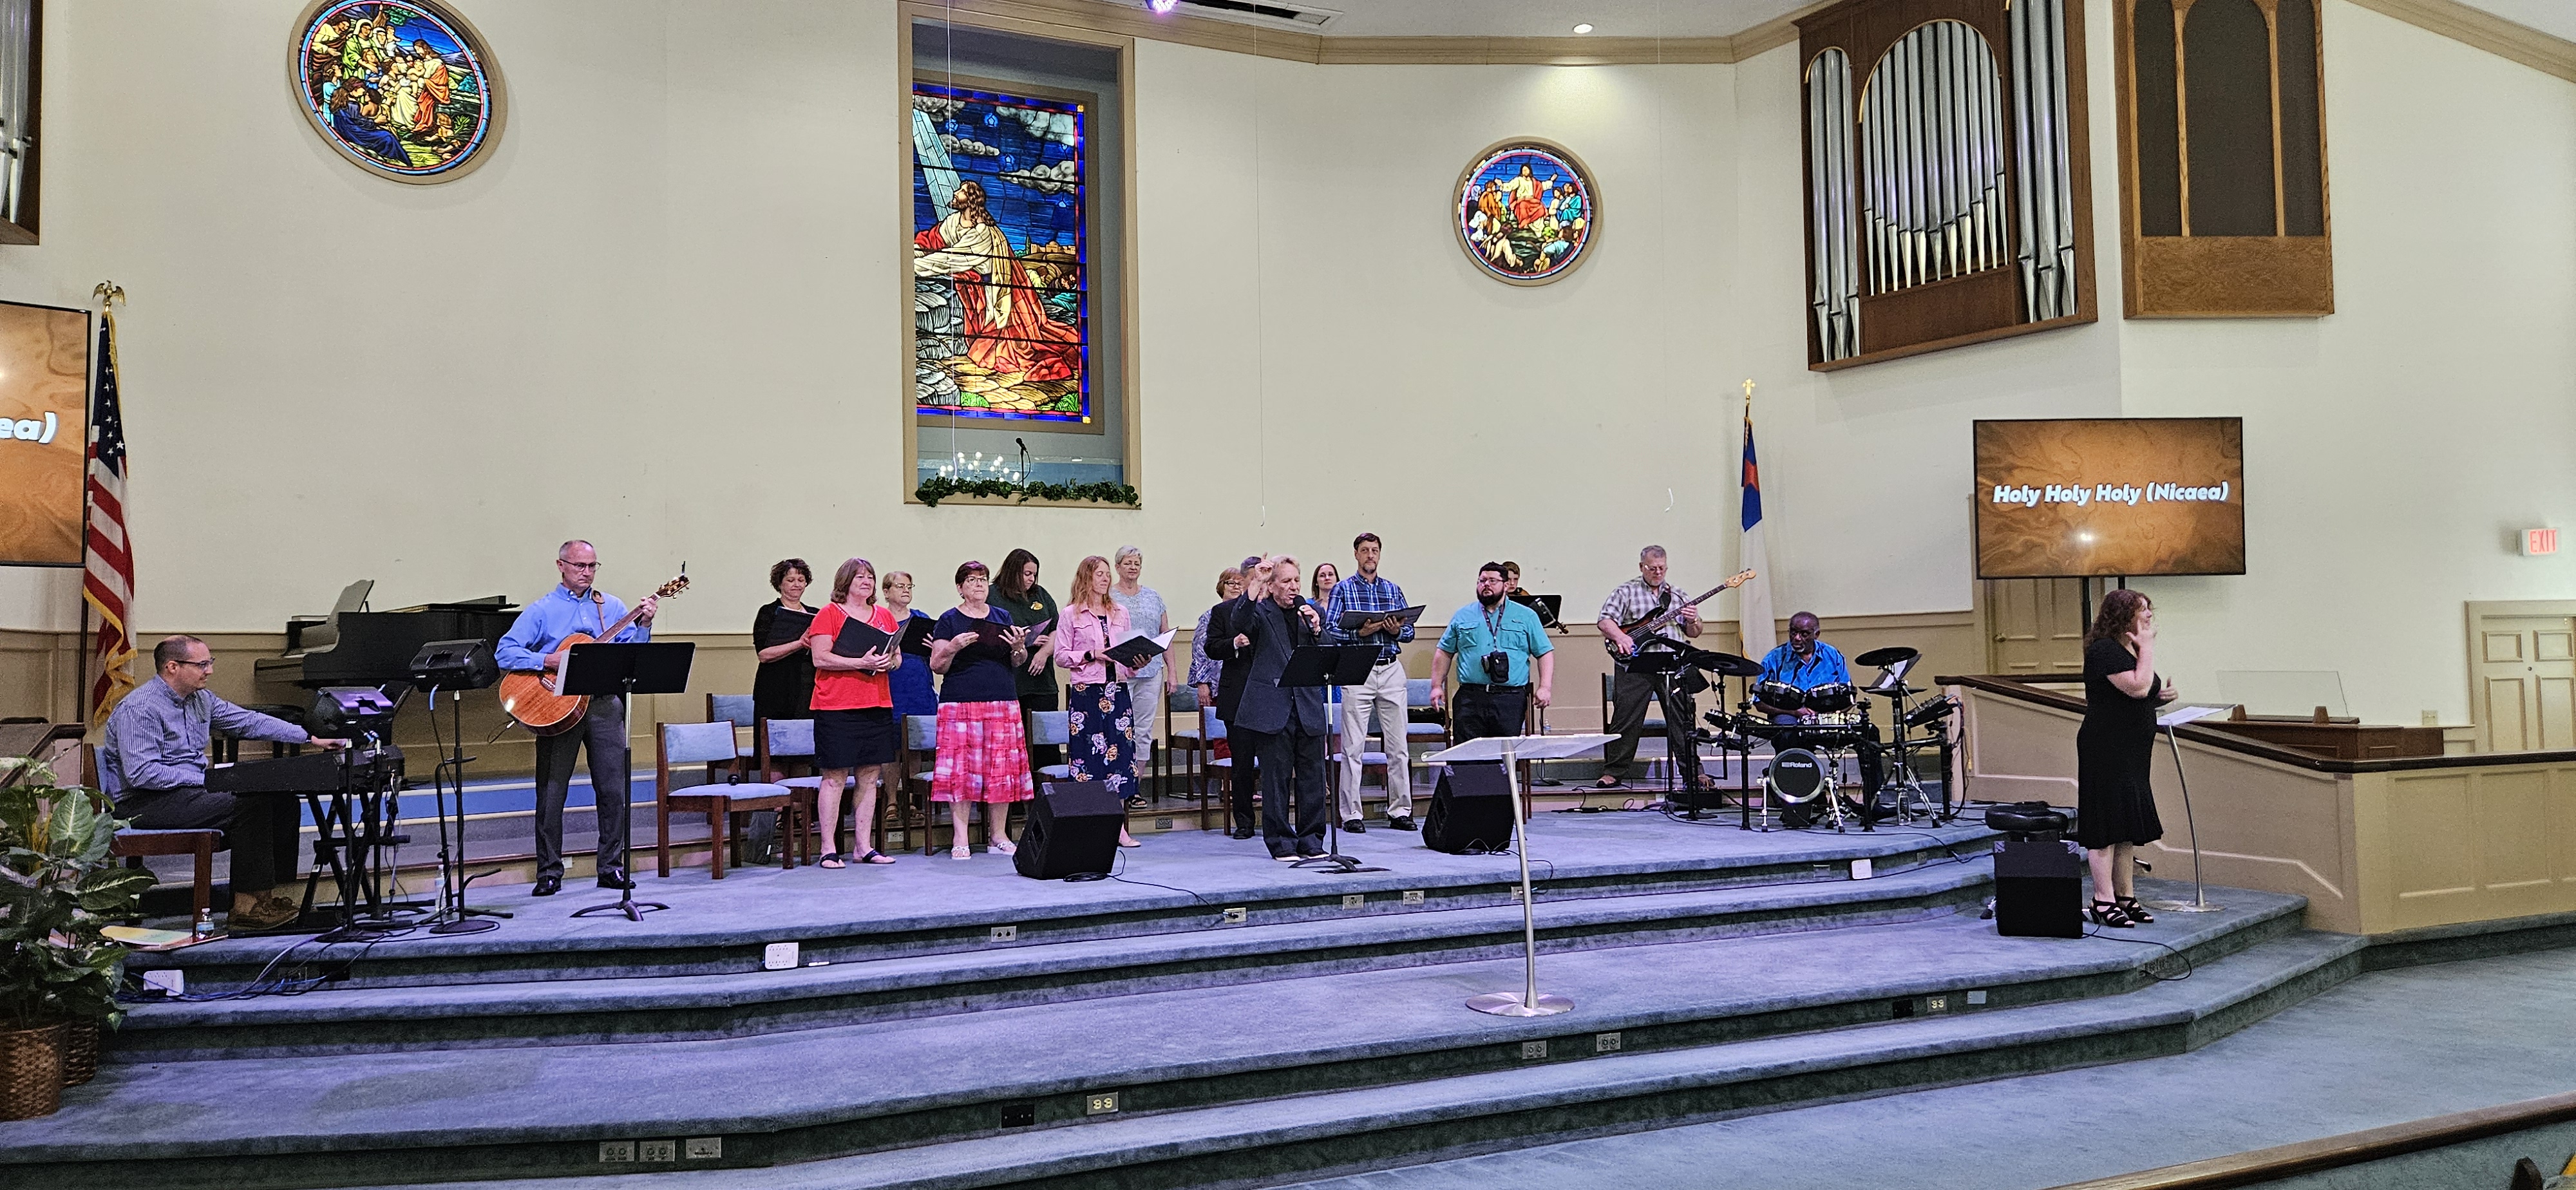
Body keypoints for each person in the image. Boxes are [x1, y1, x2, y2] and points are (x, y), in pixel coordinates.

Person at [100, 636, 351, 930]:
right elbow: (143, 774)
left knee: (282, 801)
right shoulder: (140, 708)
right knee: (249, 806)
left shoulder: (201, 700)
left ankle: (267, 896)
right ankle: (246, 908)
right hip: (141, 804)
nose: (210, 670)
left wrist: (309, 737)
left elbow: (248, 721)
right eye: (202, 664)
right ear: (172, 667)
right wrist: (210, 780)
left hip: (187, 794)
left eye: (210, 663)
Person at [495, 540, 659, 896]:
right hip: (558, 707)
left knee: (613, 791)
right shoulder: (542, 610)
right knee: (552, 793)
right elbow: (504, 652)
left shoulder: (611, 607)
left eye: (592, 566)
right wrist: (547, 661)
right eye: (580, 566)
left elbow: (633, 654)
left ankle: (611, 868)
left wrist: (644, 624)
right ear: (561, 566)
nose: (587, 573)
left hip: (603, 705)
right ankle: (549, 872)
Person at [1214, 555, 1330, 860]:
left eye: (1297, 580)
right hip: (1273, 707)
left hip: (1307, 706)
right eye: (1286, 581)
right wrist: (1256, 582)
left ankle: (1312, 841)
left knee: (1313, 778)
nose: (1293, 587)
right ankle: (1281, 843)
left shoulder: (1310, 613)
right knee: (1276, 780)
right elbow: (1239, 621)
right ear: (1273, 585)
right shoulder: (1260, 611)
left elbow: (1329, 653)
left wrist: (1318, 630)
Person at [2078, 589, 2174, 928]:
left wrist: (2161, 697)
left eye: (2149, 608)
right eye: (2141, 609)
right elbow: (2136, 687)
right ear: (2122, 616)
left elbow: (2137, 694)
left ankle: (2125, 896)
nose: (2148, 614)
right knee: (2105, 825)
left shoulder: (2128, 649)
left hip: (2132, 750)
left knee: (2125, 826)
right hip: (2106, 748)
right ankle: (2102, 900)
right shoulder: (2104, 649)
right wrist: (2147, 648)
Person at [928, 561, 1035, 860]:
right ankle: (960, 836)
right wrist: (953, 647)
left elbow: (1017, 661)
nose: (979, 584)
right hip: (961, 701)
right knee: (961, 770)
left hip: (1001, 699)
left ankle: (998, 835)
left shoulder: (1002, 616)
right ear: (960, 587)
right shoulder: (949, 620)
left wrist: (1019, 647)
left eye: (983, 579)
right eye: (972, 580)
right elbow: (937, 665)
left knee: (1001, 768)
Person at [805, 558, 903, 868]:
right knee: (835, 778)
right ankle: (828, 848)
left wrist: (888, 663)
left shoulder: (884, 615)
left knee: (870, 777)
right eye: (860, 576)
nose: (867, 581)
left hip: (876, 704)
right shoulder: (829, 613)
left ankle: (864, 846)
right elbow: (820, 658)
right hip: (837, 706)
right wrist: (860, 663)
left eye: (870, 577)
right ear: (845, 582)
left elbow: (897, 657)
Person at [1322, 533, 1417, 833]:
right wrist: (1358, 634)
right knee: (1353, 747)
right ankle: (1351, 814)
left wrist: (1395, 631)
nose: (1370, 555)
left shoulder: (1392, 589)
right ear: (1356, 554)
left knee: (1398, 746)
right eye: (1365, 550)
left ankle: (1401, 811)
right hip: (1358, 668)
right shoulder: (1343, 589)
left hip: (1390, 667)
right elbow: (1330, 630)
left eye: (1374, 550)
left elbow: (1410, 632)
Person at [1595, 544, 1710, 791]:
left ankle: (1693, 773)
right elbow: (1605, 621)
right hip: (1637, 663)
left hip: (1672, 664)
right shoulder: (1626, 591)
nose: (1658, 572)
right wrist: (1621, 637)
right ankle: (1614, 772)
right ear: (1642, 567)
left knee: (1683, 720)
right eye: (1652, 568)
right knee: (1626, 719)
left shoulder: (1678, 595)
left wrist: (1694, 620)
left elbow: (1694, 633)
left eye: (1662, 568)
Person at [1752, 611, 1886, 803]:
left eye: (1804, 634)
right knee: (1786, 731)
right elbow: (1759, 702)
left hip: (1825, 718)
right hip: (1792, 717)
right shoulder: (1774, 658)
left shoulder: (1833, 656)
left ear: (1817, 634)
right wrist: (1794, 712)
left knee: (1869, 732)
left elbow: (1848, 697)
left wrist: (1831, 715)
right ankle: (1798, 798)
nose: (1797, 638)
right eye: (1793, 632)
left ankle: (1873, 803)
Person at [1059, 556, 1144, 848]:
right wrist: (1090, 654)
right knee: (1088, 759)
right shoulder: (1071, 614)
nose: (1106, 579)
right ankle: (1088, 828)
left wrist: (1137, 661)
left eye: (1108, 574)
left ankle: (1118, 829)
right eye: (1099, 574)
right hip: (1087, 692)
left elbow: (1128, 657)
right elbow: (1061, 656)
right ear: (1086, 577)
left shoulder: (1121, 612)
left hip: (1117, 690)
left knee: (1120, 757)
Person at [1432, 563, 1556, 746]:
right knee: (1467, 754)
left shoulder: (1526, 616)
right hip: (1470, 697)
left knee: (1504, 754)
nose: (1486, 585)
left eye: (1492, 581)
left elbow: (1545, 653)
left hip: (1509, 699)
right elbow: (1444, 652)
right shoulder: (1463, 615)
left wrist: (1545, 687)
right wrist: (1436, 686)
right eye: (1482, 581)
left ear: (1506, 585)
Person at [1189, 566, 1256, 840]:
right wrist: (1202, 683)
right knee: (1237, 756)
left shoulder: (1262, 610)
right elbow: (1202, 651)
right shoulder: (1214, 614)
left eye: (1240, 583)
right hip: (1227, 687)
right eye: (1231, 583)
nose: (1236, 587)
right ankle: (1243, 819)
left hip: (1262, 692)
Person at [1109, 546, 1177, 804]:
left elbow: (1165, 635)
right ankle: (1116, 787)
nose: (1133, 567)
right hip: (1120, 672)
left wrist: (1172, 672)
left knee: (1143, 730)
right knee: (1119, 729)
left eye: (1137, 563)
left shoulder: (1153, 596)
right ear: (1118, 567)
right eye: (1128, 563)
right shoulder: (1109, 596)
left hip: (1151, 672)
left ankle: (1134, 788)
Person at [991, 547, 1062, 772]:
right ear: (1013, 571)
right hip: (1010, 680)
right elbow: (990, 634)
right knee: (1012, 742)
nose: (1031, 579)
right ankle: (1016, 792)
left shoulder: (1040, 594)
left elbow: (1057, 629)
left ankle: (1047, 791)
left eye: (1034, 574)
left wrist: (1043, 653)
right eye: (1027, 574)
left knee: (1046, 743)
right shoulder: (994, 595)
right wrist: (1028, 641)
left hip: (1041, 680)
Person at [750, 558, 817, 723]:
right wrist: (799, 643)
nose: (797, 585)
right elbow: (764, 655)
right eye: (791, 580)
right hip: (774, 688)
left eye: (801, 580)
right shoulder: (768, 612)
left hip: (807, 688)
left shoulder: (816, 614)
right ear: (780, 584)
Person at [884, 570, 940, 723]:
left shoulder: (921, 619)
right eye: (900, 586)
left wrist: (935, 648)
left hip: (920, 687)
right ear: (886, 592)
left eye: (909, 587)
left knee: (922, 733)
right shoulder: (880, 619)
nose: (906, 590)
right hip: (891, 685)